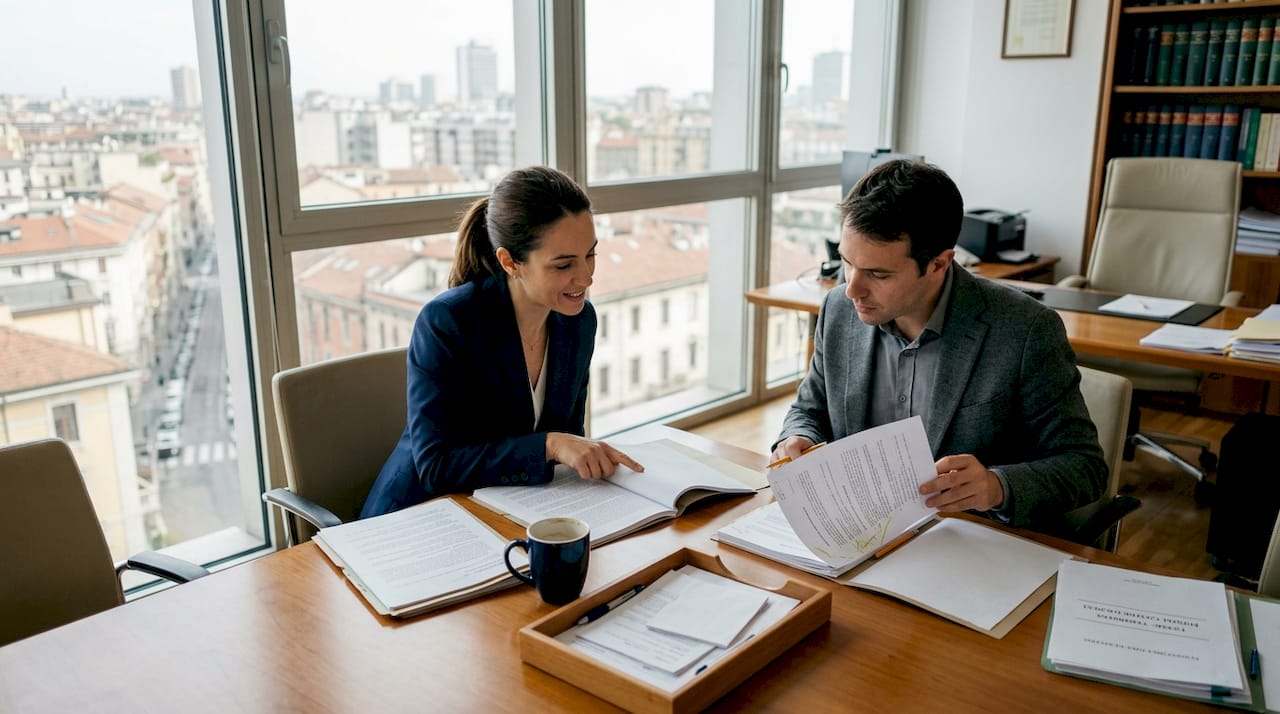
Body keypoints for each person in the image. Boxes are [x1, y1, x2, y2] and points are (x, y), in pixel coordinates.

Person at [771, 160, 1106, 529]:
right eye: (847, 263)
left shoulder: (1025, 330)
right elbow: (810, 409)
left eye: (878, 274)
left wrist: (996, 487)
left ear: (938, 264)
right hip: (861, 533)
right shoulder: (838, 310)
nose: (852, 289)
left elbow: (1085, 467)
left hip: (972, 540)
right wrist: (798, 437)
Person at [361, 166, 642, 518]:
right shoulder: (448, 321)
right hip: (419, 515)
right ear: (510, 262)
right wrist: (548, 446)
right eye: (563, 265)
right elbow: (436, 466)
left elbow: (569, 436)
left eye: (590, 254)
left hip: (510, 507)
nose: (586, 277)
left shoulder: (578, 321)